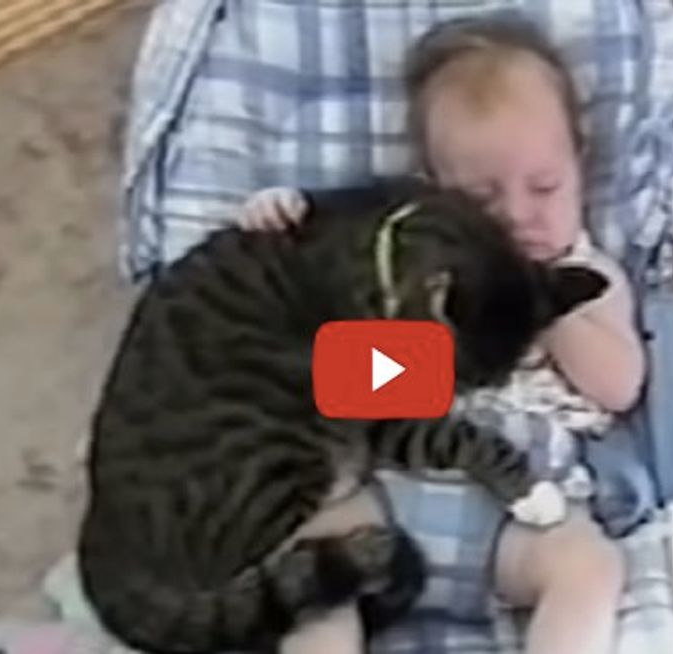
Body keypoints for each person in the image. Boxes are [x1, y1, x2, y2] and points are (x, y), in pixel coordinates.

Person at [240, 15, 645, 654]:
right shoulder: (405, 259)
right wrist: (285, 239)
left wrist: (550, 302)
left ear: (579, 165)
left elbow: (620, 387)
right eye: (482, 200)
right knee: (301, 560)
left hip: (520, 520)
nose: (516, 214)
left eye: (544, 187)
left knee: (593, 569)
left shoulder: (590, 278)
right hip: (388, 497)